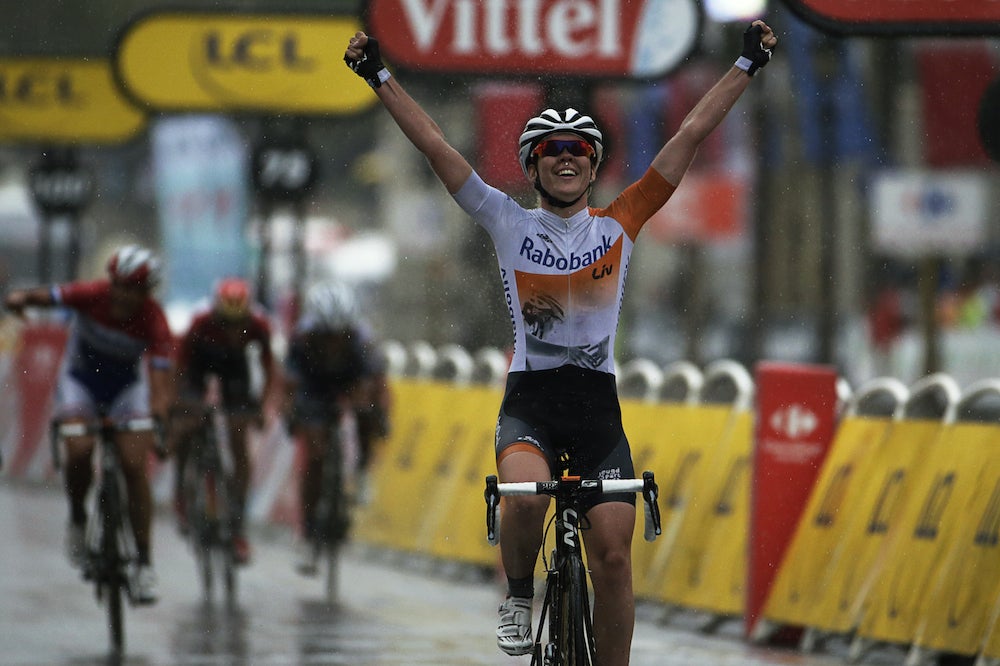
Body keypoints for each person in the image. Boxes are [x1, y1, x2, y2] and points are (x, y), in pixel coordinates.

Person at [344, 20, 776, 665]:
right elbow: (435, 145)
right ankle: (519, 595)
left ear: (595, 165)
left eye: (579, 148)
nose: (566, 156)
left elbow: (690, 133)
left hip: (598, 414)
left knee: (614, 559)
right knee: (523, 502)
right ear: (532, 165)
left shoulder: (622, 222)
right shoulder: (506, 220)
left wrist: (744, 66)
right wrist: (379, 75)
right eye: (552, 149)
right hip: (532, 406)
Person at [3, 244, 174, 604]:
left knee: (134, 466)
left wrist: (158, 413)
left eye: (133, 289)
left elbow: (160, 381)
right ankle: (79, 519)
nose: (123, 295)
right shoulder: (92, 294)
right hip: (81, 382)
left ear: (147, 292)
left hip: (127, 390)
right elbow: (49, 295)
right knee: (79, 450)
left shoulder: (154, 319)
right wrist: (20, 298)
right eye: (119, 285)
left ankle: (144, 563)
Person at [282, 281, 391, 575]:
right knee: (315, 456)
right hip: (313, 386)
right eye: (326, 336)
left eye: (340, 336)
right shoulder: (302, 338)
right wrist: (291, 414)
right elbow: (289, 385)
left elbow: (378, 384)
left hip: (350, 379)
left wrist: (379, 416)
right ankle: (308, 534)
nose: (333, 342)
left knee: (367, 413)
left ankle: (363, 469)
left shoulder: (363, 340)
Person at [169, 277, 278, 564]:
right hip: (198, 367)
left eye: (237, 324)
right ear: (216, 312)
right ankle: (182, 492)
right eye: (225, 323)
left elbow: (269, 369)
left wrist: (261, 407)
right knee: (187, 425)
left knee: (239, 441)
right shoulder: (200, 321)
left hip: (235, 371)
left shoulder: (259, 325)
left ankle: (237, 524)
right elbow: (179, 365)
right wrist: (178, 402)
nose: (232, 329)